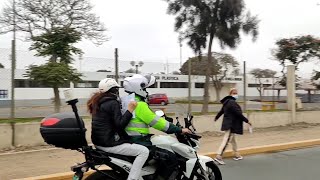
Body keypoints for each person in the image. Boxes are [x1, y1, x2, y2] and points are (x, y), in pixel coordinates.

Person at [122, 74, 191, 180]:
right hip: (139, 141)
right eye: (144, 88)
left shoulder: (125, 102)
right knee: (171, 158)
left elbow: (151, 118)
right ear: (138, 88)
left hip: (129, 140)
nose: (146, 91)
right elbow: (157, 123)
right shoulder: (139, 104)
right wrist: (179, 129)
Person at [87, 78, 149, 180]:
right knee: (143, 151)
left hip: (99, 143)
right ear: (114, 90)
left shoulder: (99, 102)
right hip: (108, 143)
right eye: (117, 89)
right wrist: (130, 110)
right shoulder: (112, 102)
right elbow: (120, 125)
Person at [214, 88, 252, 165]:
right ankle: (219, 156)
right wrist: (247, 121)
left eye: (236, 93)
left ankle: (236, 154)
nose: (236, 94)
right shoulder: (232, 102)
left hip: (230, 124)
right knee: (226, 140)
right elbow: (238, 113)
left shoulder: (227, 102)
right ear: (230, 94)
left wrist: (216, 117)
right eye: (234, 93)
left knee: (233, 140)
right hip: (231, 124)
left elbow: (221, 111)